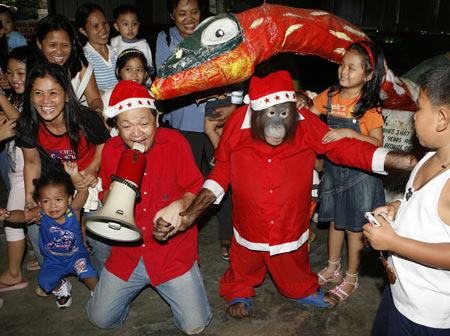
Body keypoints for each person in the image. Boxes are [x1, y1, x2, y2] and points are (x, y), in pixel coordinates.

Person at [153, 70, 397, 318]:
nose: (277, 125)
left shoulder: (303, 120)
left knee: (292, 258)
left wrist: (397, 160)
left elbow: (340, 148)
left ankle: (300, 288)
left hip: (289, 217)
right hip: (250, 217)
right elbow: (222, 169)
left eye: (283, 114)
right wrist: (191, 213)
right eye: (271, 115)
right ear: (255, 112)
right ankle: (239, 288)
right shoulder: (238, 123)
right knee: (245, 257)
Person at [87, 80, 212, 334]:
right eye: (126, 125)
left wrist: (180, 207)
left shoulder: (175, 142)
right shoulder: (111, 150)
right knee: (99, 319)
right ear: (115, 127)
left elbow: (195, 188)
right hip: (128, 254)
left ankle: (187, 282)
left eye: (144, 123)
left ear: (156, 120)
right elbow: (105, 194)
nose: (136, 133)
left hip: (171, 254)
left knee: (195, 326)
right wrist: (115, 193)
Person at [365, 64, 450, 335]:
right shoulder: (430, 156)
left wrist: (394, 243)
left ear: (442, 119)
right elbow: (417, 200)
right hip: (400, 290)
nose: (414, 117)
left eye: (419, 108)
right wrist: (396, 207)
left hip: (426, 312)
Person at [15, 62, 110, 276]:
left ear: (66, 95)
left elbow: (105, 144)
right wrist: (31, 198)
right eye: (38, 93)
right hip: (55, 186)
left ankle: (107, 281)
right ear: (31, 96)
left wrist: (93, 168)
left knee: (100, 236)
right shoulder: (28, 125)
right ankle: (55, 278)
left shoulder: (87, 118)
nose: (46, 101)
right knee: (35, 227)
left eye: (53, 93)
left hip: (89, 181)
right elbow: (32, 163)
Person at [309, 41, 386, 301]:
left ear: (367, 75)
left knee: (355, 228)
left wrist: (348, 133)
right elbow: (310, 117)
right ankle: (333, 268)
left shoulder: (369, 104)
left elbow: (377, 142)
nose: (343, 71)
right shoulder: (329, 96)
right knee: (334, 222)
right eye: (342, 64)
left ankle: (351, 278)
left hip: (361, 177)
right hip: (333, 171)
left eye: (352, 68)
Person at [0, 162, 98, 309]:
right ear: (39, 202)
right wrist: (9, 216)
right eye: (46, 201)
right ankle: (61, 288)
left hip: (77, 257)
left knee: (90, 275)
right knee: (45, 282)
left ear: (69, 199)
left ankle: (97, 294)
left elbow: (83, 193)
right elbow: (23, 216)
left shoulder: (74, 211)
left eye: (58, 200)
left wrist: (74, 174)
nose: (53, 206)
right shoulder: (40, 213)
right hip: (53, 260)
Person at [0, 46, 34, 292]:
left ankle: (13, 274)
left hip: (27, 174)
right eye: (10, 73)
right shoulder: (16, 97)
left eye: (20, 72)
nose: (14, 78)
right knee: (29, 219)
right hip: (17, 170)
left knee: (12, 222)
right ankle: (43, 256)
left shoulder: (35, 98)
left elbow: (20, 125)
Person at [30, 15, 103, 112]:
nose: (59, 52)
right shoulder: (28, 68)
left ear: (72, 43)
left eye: (65, 45)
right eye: (52, 45)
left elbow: (94, 99)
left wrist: (97, 113)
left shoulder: (81, 68)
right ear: (39, 43)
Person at [76, 3, 118, 94]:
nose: (103, 29)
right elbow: (88, 93)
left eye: (104, 23)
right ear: (83, 31)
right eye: (95, 26)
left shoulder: (116, 51)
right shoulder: (83, 58)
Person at [110, 4, 154, 86]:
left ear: (139, 25)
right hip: (122, 84)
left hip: (142, 84)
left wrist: (142, 83)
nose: (130, 28)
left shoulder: (143, 44)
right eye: (125, 24)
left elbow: (149, 68)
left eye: (134, 24)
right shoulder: (114, 42)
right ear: (116, 26)